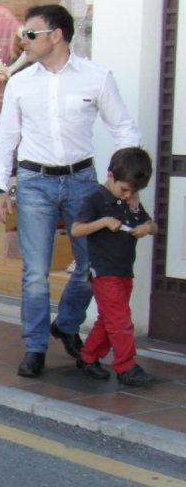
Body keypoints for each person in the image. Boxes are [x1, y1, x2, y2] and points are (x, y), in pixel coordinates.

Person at [0, 4, 141, 377]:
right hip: (34, 181)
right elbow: (5, 135)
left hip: (82, 181)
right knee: (36, 272)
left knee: (93, 266)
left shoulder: (95, 77)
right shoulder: (21, 82)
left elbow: (125, 129)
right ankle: (36, 346)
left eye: (31, 34)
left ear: (56, 35)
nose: (24, 40)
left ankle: (67, 325)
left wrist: (127, 182)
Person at [70, 147, 157, 387]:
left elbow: (152, 224)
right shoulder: (96, 199)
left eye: (134, 191)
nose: (129, 195)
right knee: (120, 321)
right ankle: (126, 366)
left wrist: (146, 227)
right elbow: (76, 228)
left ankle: (87, 357)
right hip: (103, 271)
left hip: (124, 270)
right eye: (125, 190)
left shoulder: (131, 201)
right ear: (110, 176)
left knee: (108, 318)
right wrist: (103, 222)